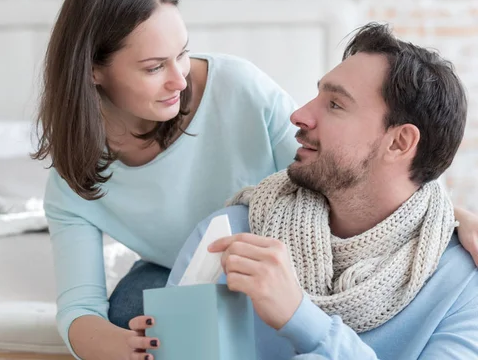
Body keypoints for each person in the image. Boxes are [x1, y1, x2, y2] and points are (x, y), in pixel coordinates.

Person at [33, 0, 478, 359]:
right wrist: (118, 345)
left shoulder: (237, 89)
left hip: (281, 251)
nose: (179, 78)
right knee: (133, 305)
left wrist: (451, 218)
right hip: (210, 262)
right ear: (94, 69)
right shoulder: (78, 184)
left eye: (184, 53)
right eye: (153, 67)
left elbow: (363, 178)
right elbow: (79, 306)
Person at [132, 23, 478, 359]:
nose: (299, 115)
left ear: (399, 142)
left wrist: (300, 317)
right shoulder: (229, 238)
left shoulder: (460, 281)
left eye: (335, 105)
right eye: (317, 96)